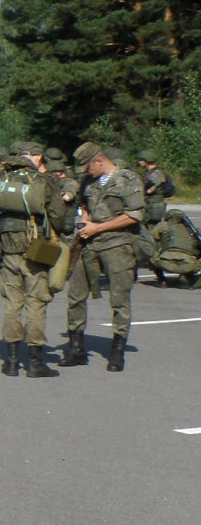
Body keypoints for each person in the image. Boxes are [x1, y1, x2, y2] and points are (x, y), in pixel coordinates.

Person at [65, 142, 145, 372]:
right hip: (89, 244)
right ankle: (77, 349)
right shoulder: (88, 181)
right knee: (75, 296)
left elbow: (134, 215)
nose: (86, 172)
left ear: (99, 161)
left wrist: (98, 228)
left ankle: (117, 352)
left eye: (88, 167)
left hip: (117, 244)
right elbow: (84, 202)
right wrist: (86, 220)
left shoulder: (128, 179)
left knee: (119, 299)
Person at [0, 144, 60, 377]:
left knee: (12, 304)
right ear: (36, 157)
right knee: (36, 303)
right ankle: (35, 363)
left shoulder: (1, 179)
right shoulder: (41, 180)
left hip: (8, 250)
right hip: (35, 250)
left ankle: (10, 362)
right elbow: (59, 216)